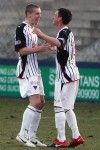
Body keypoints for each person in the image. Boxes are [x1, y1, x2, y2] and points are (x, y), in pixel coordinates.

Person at [33, 8, 84, 148]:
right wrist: (53, 49)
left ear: (60, 18)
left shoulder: (64, 32)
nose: (53, 16)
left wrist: (41, 34)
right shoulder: (66, 32)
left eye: (55, 15)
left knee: (61, 107)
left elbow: (60, 43)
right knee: (65, 108)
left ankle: (64, 139)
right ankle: (74, 136)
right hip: (68, 74)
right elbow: (63, 48)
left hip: (65, 76)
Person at [14, 4, 51, 148]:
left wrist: (45, 48)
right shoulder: (21, 28)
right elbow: (21, 51)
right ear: (29, 14)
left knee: (41, 102)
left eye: (40, 14)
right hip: (27, 69)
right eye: (37, 13)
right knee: (35, 102)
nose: (39, 16)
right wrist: (40, 48)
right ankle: (22, 135)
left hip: (35, 69)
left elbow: (34, 49)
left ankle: (32, 136)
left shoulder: (33, 30)